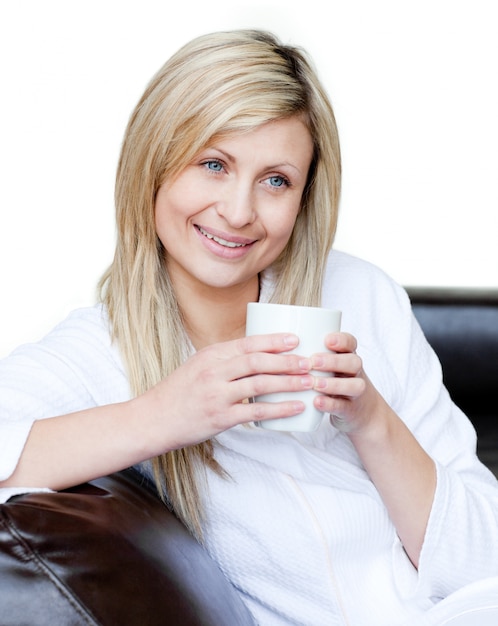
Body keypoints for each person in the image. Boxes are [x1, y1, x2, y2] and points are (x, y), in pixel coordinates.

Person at [1, 29, 497, 626]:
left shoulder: (361, 294)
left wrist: (371, 420)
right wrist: (168, 413)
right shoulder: (101, 352)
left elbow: (482, 561)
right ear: (152, 163)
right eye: (213, 165)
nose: (239, 212)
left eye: (276, 181)